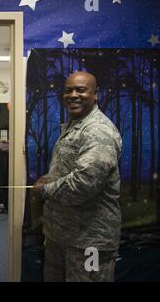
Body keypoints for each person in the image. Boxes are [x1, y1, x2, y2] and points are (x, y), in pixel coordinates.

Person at [32, 71, 122, 282]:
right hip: (61, 235)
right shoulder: (75, 126)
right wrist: (47, 178)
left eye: (81, 90)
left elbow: (83, 184)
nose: (73, 95)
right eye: (68, 90)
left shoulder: (98, 131)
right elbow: (67, 170)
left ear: (95, 94)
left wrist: (44, 190)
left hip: (89, 241)